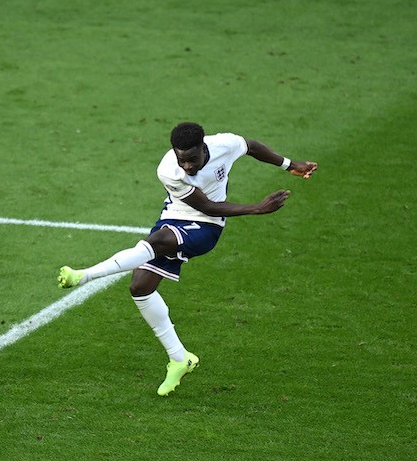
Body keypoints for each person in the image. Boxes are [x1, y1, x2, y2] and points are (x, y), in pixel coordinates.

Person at [57, 122, 317, 396]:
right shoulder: (168, 170)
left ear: (204, 148)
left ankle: (83, 275)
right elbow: (203, 203)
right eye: (183, 160)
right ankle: (179, 358)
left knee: (157, 241)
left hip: (207, 227)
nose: (188, 167)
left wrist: (288, 164)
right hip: (177, 216)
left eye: (193, 159)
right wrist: (257, 208)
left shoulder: (224, 144)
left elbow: (250, 147)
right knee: (140, 288)